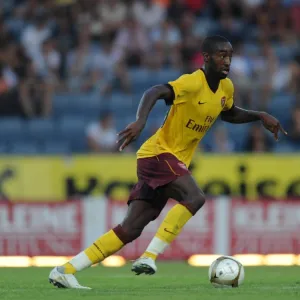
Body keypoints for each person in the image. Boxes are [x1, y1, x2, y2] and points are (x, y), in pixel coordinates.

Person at [49, 35, 287, 289]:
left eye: (229, 55)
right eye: (220, 55)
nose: (226, 60)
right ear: (206, 58)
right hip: (158, 154)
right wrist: (140, 121)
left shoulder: (226, 88)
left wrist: (259, 115)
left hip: (167, 160)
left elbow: (228, 113)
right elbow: (155, 91)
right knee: (195, 198)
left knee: (130, 229)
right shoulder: (192, 82)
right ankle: (149, 257)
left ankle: (65, 270)